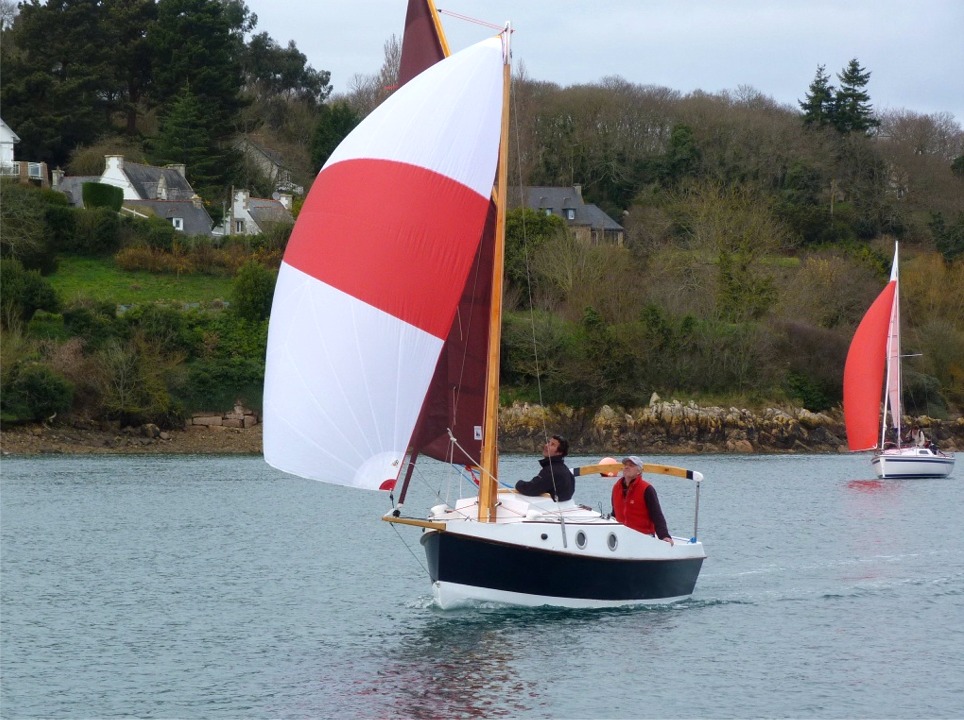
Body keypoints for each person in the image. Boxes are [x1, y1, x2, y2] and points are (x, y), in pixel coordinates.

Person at [611, 456, 674, 545]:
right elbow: (614, 514)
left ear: (639, 471)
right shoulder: (616, 488)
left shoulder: (647, 489)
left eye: (631, 465)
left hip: (644, 538)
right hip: (621, 537)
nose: (626, 467)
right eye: (625, 465)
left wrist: (664, 536)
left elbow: (657, 515)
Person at [514, 434, 575, 502]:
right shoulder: (565, 469)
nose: (546, 445)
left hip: (553, 508)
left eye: (552, 444)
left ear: (559, 452)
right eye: (548, 442)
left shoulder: (551, 471)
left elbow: (530, 488)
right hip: (564, 505)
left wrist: (518, 483)